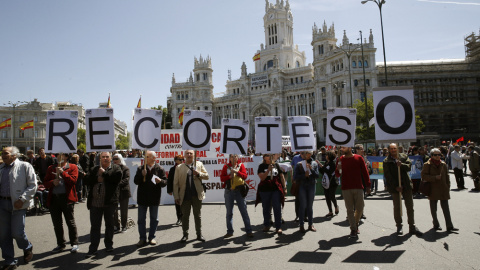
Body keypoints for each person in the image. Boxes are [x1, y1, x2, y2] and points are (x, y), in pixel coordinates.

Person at [0, 146, 36, 269]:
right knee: (3, 235)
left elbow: (32, 186)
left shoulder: (25, 166)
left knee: (17, 233)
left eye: (6, 153)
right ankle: (9, 260)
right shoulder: (1, 168)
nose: (3, 155)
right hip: (2, 204)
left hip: (18, 205)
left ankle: (27, 247)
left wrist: (22, 199)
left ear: (14, 155)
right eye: (2, 153)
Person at [85, 152, 122, 258]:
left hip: (109, 203)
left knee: (109, 225)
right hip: (95, 203)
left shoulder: (116, 168)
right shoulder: (94, 169)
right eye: (103, 157)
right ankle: (93, 248)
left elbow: (116, 179)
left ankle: (109, 245)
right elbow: (86, 180)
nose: (105, 159)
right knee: (95, 227)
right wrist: (97, 179)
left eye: (107, 157)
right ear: (100, 159)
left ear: (110, 158)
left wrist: (104, 174)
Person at [43, 153, 79, 254]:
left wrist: (63, 173)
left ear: (66, 157)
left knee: (70, 222)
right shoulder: (51, 168)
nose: (59, 157)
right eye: (57, 155)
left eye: (61, 155)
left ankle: (74, 243)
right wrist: (52, 183)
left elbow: (73, 181)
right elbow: (45, 183)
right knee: (57, 223)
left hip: (67, 198)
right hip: (54, 199)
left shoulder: (72, 167)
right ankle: (61, 244)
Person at [383, 143, 421, 235]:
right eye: (391, 149)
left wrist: (401, 164)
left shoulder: (403, 157)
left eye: (394, 148)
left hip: (406, 185)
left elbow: (408, 167)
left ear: (397, 149)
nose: (393, 150)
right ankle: (399, 225)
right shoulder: (386, 161)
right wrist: (396, 186)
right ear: (389, 149)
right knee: (397, 207)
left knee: (410, 207)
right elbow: (388, 176)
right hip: (396, 188)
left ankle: (412, 226)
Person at [173, 150, 209, 243]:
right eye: (187, 153)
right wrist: (176, 196)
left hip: (197, 195)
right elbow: (175, 183)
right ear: (184, 155)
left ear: (194, 155)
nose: (189, 155)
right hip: (184, 196)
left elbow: (207, 176)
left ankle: (199, 234)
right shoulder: (179, 167)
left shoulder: (199, 164)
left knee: (197, 215)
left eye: (191, 153)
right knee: (185, 216)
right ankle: (185, 234)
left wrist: (198, 174)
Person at [335, 146, 370, 239]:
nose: (342, 149)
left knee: (360, 208)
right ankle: (353, 229)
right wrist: (338, 168)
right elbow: (338, 174)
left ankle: (356, 223)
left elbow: (365, 172)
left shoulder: (359, 158)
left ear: (350, 148)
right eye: (341, 148)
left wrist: (368, 185)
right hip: (346, 188)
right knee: (350, 209)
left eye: (344, 147)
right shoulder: (340, 159)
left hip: (358, 187)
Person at [133, 151, 167, 246]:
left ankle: (152, 237)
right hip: (142, 198)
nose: (145, 158)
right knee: (141, 219)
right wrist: (141, 175)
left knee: (154, 219)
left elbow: (165, 183)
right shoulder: (141, 168)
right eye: (145, 156)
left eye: (147, 156)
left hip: (154, 198)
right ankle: (142, 238)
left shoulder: (160, 169)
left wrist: (160, 181)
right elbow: (136, 181)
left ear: (154, 158)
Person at [421, 148, 459, 232]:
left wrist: (447, 186)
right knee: (434, 209)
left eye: (439, 155)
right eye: (435, 155)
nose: (438, 156)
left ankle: (449, 226)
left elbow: (447, 176)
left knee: (446, 208)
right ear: (431, 156)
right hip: (432, 189)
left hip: (443, 189)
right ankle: (436, 224)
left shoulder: (443, 164)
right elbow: (423, 176)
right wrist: (434, 178)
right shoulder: (427, 164)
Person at [220, 154, 254, 238]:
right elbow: (222, 178)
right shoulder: (226, 166)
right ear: (230, 158)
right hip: (229, 191)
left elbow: (245, 176)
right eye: (232, 156)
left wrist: (237, 172)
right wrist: (229, 176)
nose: (234, 158)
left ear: (237, 158)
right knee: (229, 213)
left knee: (244, 211)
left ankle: (248, 230)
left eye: (235, 156)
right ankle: (230, 231)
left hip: (239, 191)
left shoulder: (241, 165)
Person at [256, 154, 286, 235]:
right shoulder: (261, 166)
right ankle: (267, 225)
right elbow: (262, 178)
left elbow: (281, 175)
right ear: (264, 157)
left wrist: (284, 187)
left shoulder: (276, 165)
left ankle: (278, 226)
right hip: (265, 190)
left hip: (276, 189)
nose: (269, 156)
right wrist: (268, 170)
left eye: (270, 155)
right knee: (266, 208)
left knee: (277, 207)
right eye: (267, 155)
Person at [293, 151, 318, 233]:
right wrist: (304, 175)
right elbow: (295, 176)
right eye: (303, 153)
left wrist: (311, 170)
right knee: (302, 205)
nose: (304, 155)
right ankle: (301, 225)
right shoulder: (299, 164)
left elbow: (317, 175)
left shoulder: (314, 163)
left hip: (311, 185)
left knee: (310, 206)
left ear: (310, 154)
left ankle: (311, 224)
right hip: (302, 186)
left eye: (306, 153)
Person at [112, 154, 131, 234]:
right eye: (114, 159)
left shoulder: (125, 168)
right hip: (114, 193)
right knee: (114, 211)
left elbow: (126, 179)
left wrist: (116, 184)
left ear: (120, 159)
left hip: (124, 191)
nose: (115, 160)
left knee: (123, 210)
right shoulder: (111, 168)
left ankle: (124, 226)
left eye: (116, 158)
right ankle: (116, 226)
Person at [318, 150, 339, 218]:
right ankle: (330, 211)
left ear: (329, 156)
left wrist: (322, 166)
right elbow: (323, 171)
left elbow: (329, 172)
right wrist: (320, 167)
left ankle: (336, 206)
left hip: (332, 182)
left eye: (327, 155)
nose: (325, 156)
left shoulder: (332, 163)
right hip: (326, 182)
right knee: (327, 197)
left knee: (332, 196)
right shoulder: (326, 163)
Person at [167, 155, 184, 226]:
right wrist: (169, 190)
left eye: (182, 159)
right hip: (176, 189)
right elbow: (169, 180)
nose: (181, 161)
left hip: (184, 189)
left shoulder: (185, 167)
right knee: (177, 204)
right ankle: (179, 218)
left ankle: (184, 219)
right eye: (179, 159)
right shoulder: (172, 169)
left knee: (184, 204)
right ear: (175, 160)